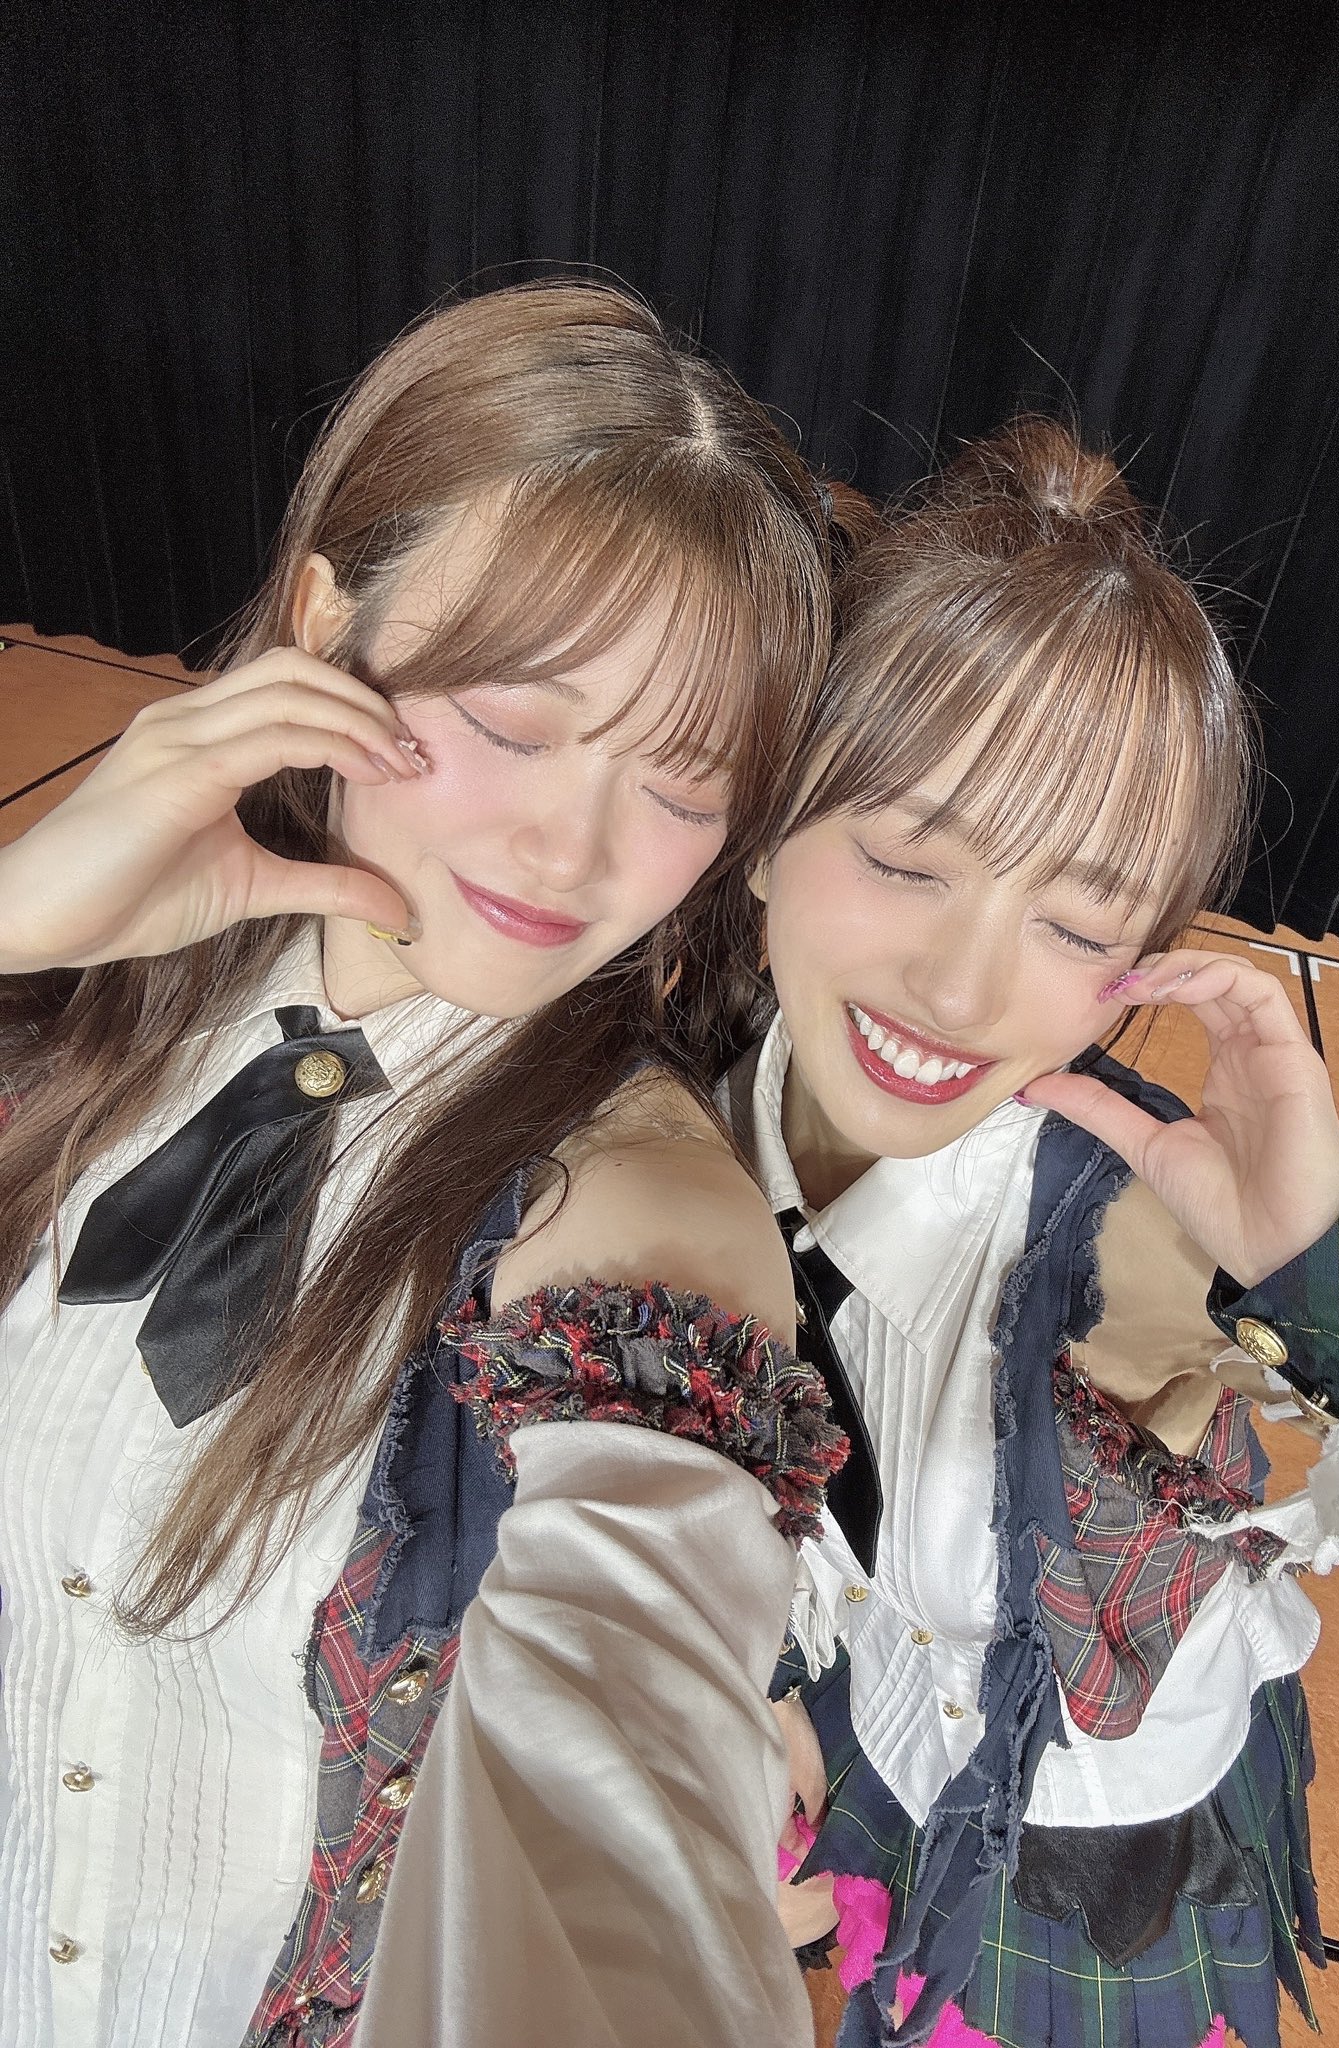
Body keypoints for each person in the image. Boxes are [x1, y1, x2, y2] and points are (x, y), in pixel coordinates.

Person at [0, 278, 850, 2048]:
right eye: (515, 723)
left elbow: (618, 1810)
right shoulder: (99, 978)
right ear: (329, 622)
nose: (571, 848)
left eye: (682, 784)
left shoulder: (628, 1206)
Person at [725, 419, 1339, 2048]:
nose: (960, 991)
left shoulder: (1119, 1227)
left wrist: (1329, 1260)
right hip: (885, 1731)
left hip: (1091, 1856)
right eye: (903, 857)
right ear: (761, 828)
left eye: (1079, 919)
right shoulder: (710, 1097)